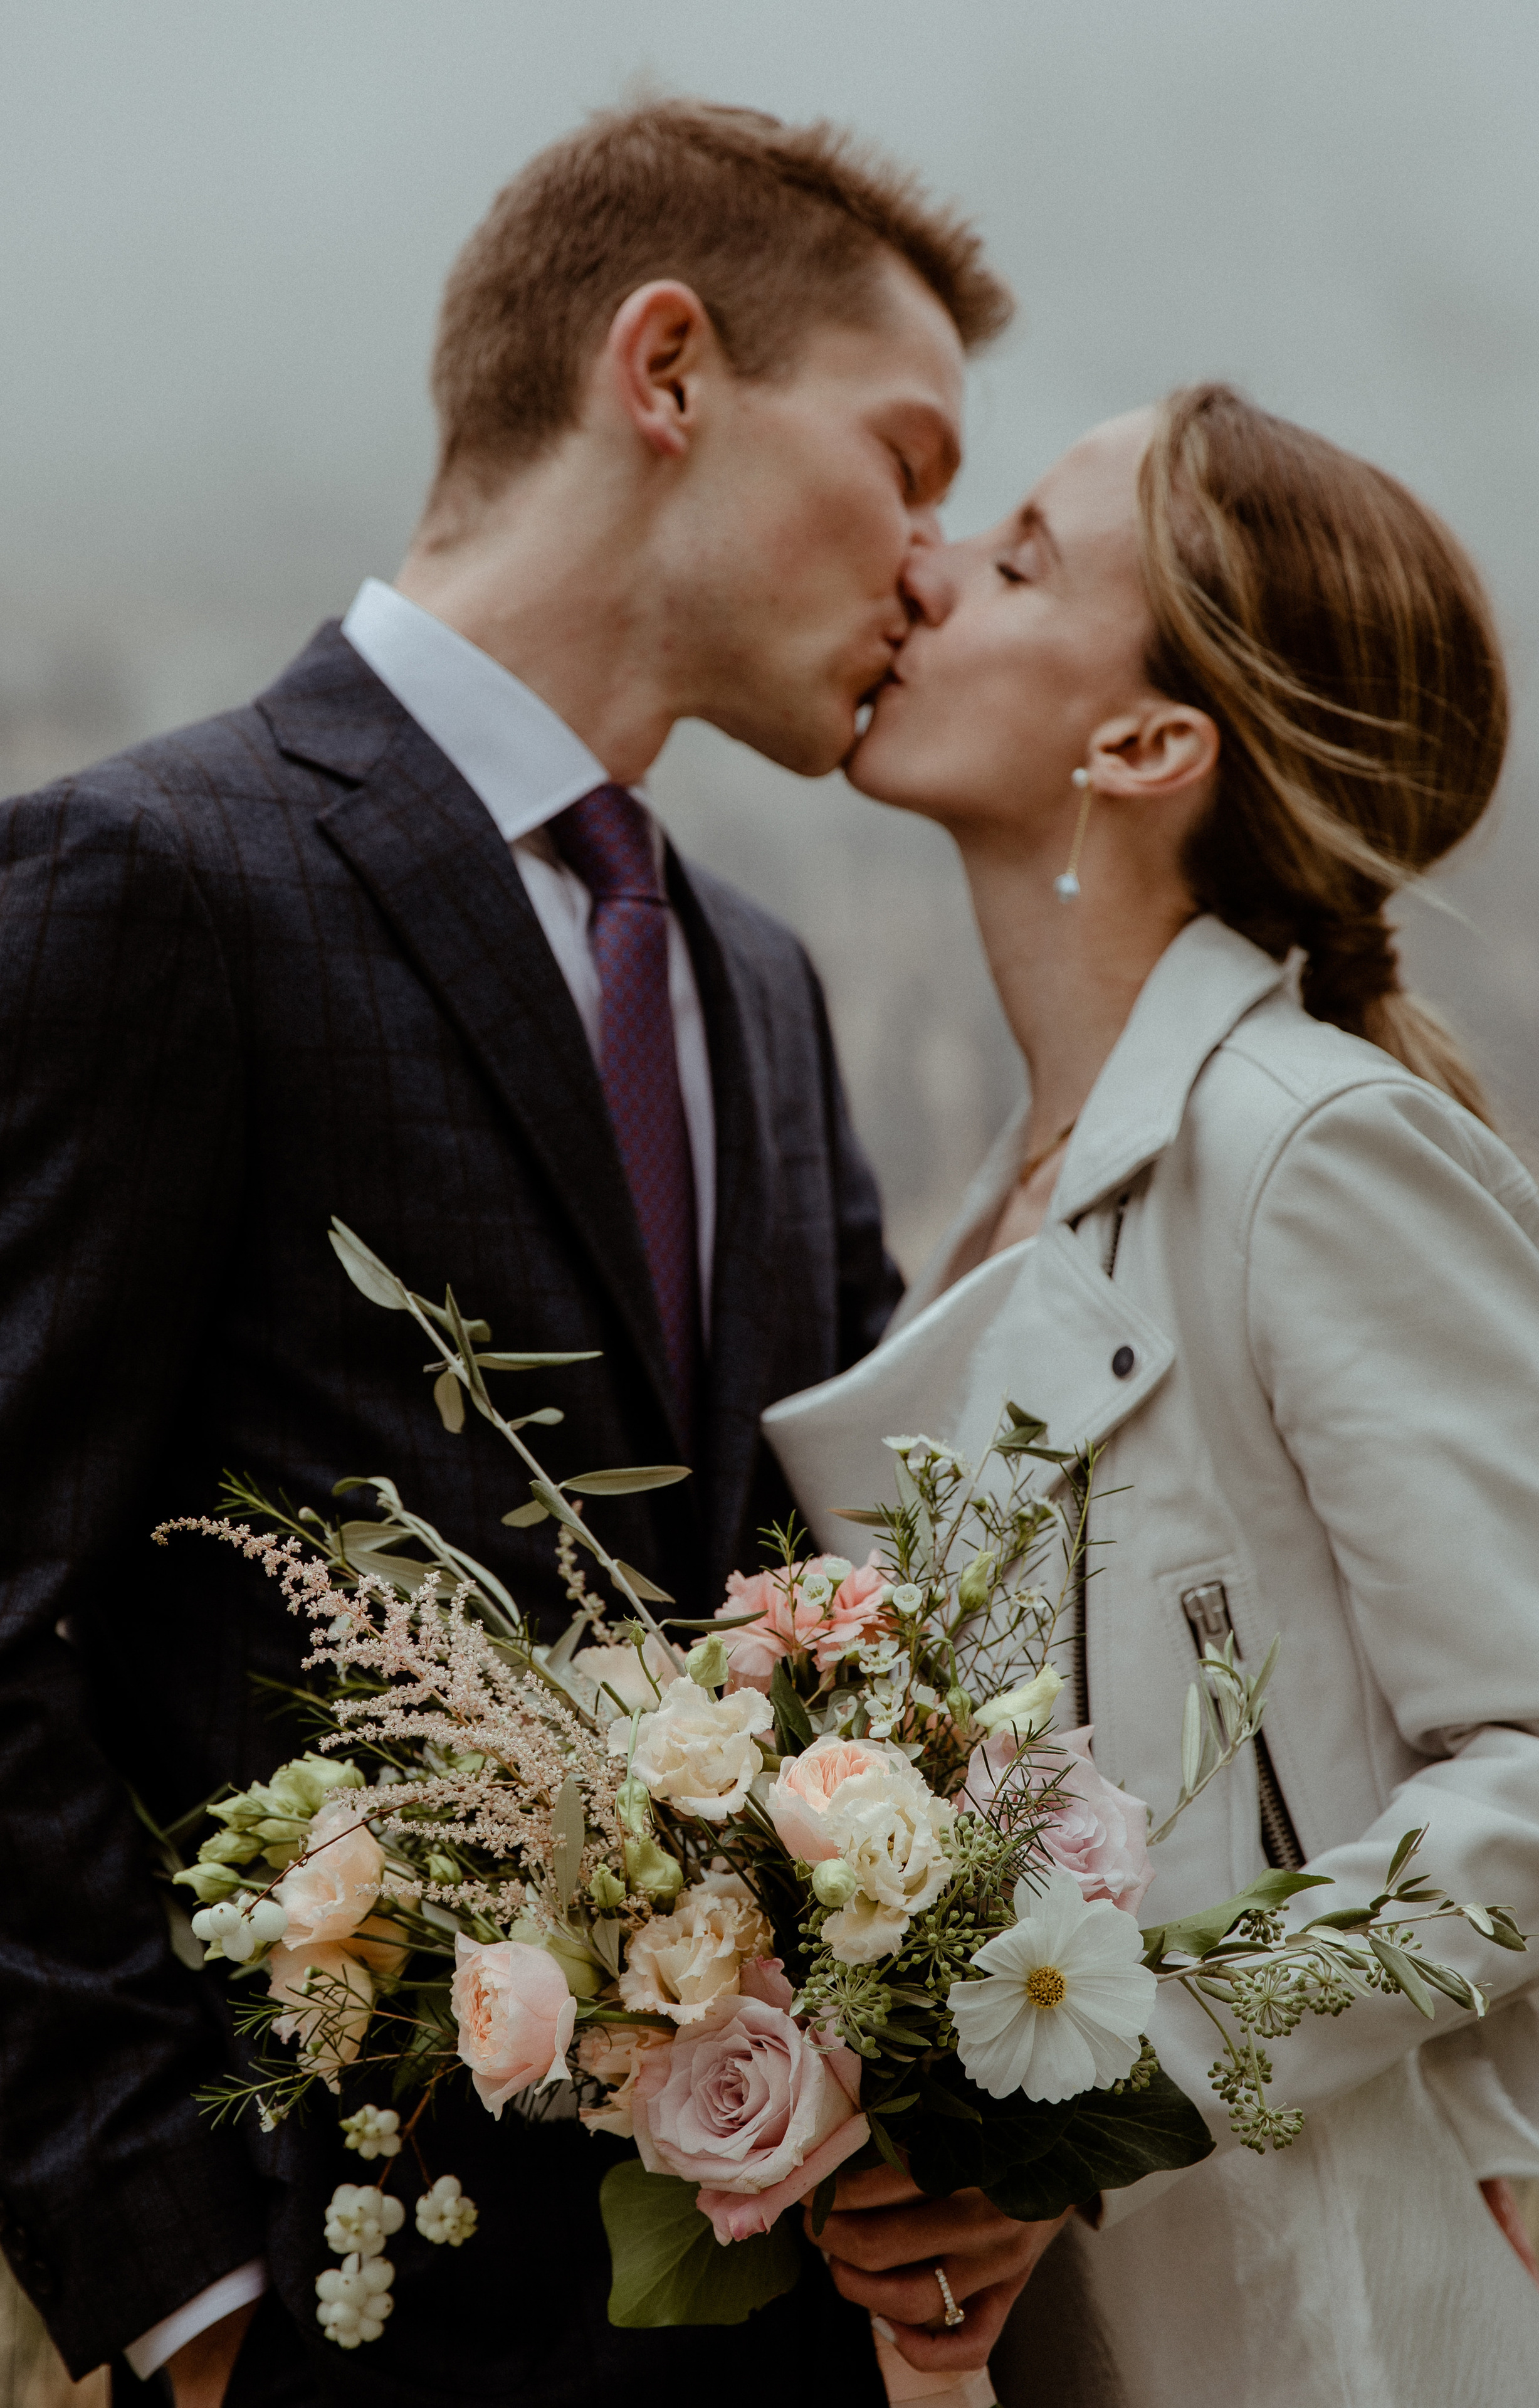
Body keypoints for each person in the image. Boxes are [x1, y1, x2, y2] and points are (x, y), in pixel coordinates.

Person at [0, 100, 1014, 2407]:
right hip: (344, 2310)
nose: (934, 566)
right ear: (666, 370)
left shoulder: (762, 981)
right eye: (907, 458)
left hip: (756, 2322)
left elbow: (822, 1629)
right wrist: (189, 2294)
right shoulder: (147, 875)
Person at [765, 384, 1539, 2407]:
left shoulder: (1312, 1150)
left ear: (1146, 747)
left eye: (1023, 556)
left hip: (1324, 2341)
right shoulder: (1016, 1202)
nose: (928, 566)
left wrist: (1095, 2106)